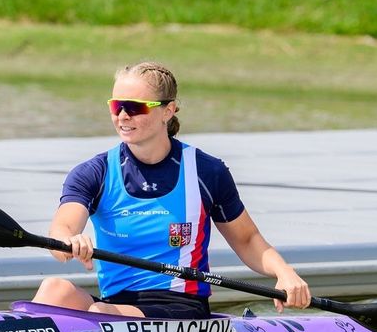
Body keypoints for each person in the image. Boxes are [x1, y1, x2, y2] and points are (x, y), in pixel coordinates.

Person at [32, 61, 311, 318]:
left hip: (179, 305)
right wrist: (69, 242)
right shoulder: (95, 172)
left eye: (136, 107)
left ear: (168, 110)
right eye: (116, 105)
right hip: (114, 303)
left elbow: (248, 240)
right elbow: (62, 230)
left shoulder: (206, 172)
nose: (123, 116)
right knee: (54, 289)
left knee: (99, 312)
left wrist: (284, 273)